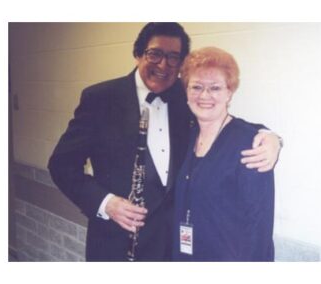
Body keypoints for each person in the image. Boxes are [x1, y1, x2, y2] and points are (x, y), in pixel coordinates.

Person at [48, 23, 280, 261]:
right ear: (138, 53)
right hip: (116, 244)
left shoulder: (187, 96)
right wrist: (105, 203)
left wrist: (271, 137)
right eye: (154, 54)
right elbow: (61, 165)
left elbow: (225, 125)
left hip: (172, 250)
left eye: (173, 57)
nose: (163, 65)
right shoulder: (100, 98)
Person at [172, 47, 275, 261]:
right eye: (197, 87)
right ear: (187, 91)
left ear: (229, 92)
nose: (204, 96)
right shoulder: (187, 137)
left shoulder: (251, 143)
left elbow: (258, 227)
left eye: (215, 88)